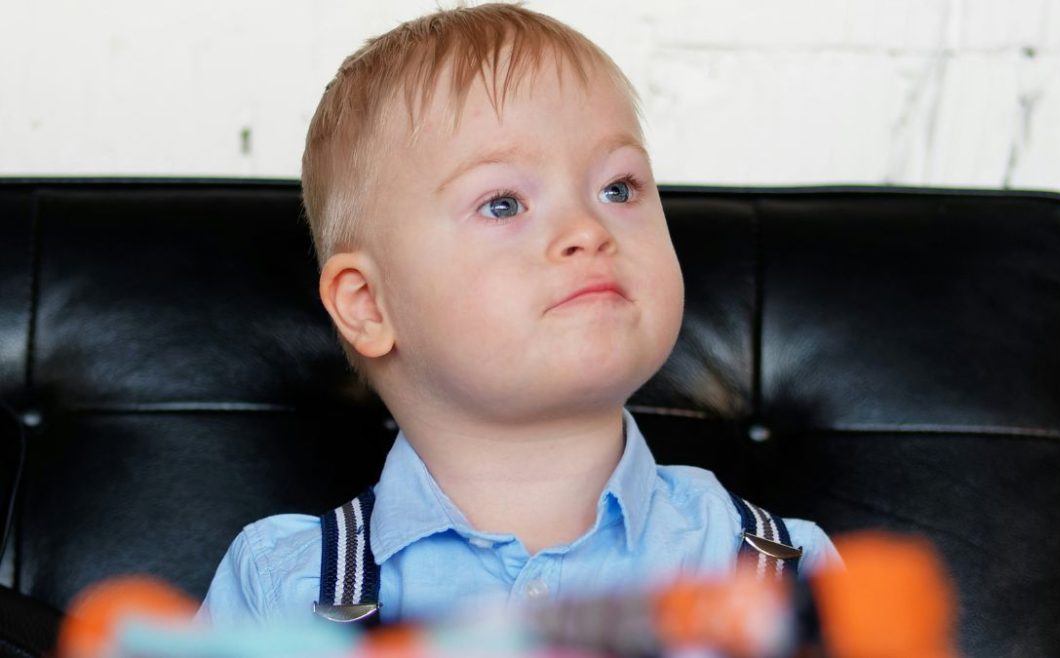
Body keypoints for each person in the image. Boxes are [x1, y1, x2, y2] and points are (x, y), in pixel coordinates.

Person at [199, 3, 838, 625]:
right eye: (503, 204)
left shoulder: (790, 575)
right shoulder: (282, 590)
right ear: (367, 305)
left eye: (618, 189)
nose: (588, 229)